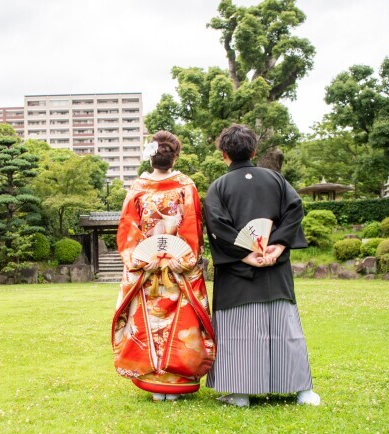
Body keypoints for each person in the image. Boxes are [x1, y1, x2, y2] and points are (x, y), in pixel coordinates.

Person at [203, 124, 320, 407]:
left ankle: (240, 393)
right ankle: (302, 391)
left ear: (223, 155)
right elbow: (295, 209)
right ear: (254, 151)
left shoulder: (218, 187)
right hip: (274, 266)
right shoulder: (276, 180)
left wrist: (245, 253)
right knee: (285, 327)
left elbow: (217, 225)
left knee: (238, 331)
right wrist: (277, 244)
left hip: (237, 271)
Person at [112, 131, 215, 402]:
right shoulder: (185, 186)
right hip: (177, 269)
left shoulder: (138, 188)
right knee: (178, 322)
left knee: (147, 322)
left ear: (151, 157)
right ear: (175, 156)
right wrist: (179, 260)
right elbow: (192, 227)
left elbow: (127, 229)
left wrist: (143, 260)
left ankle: (154, 381)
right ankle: (177, 379)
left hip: (146, 270)